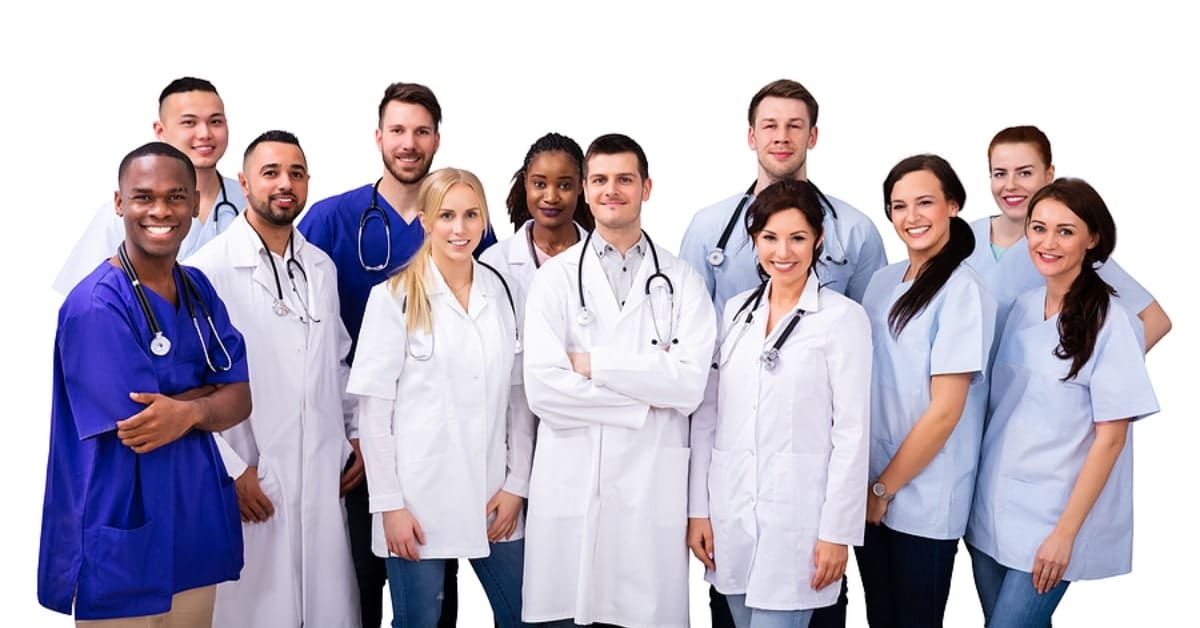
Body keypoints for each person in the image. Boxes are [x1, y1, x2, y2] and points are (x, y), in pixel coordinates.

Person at [680, 77, 886, 628]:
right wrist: (698, 508)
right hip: (732, 518)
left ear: (819, 240)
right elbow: (708, 410)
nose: (783, 251)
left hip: (803, 522)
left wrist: (838, 531)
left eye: (798, 238)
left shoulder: (844, 315)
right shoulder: (735, 311)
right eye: (770, 239)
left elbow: (851, 429)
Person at [298, 81, 496, 627]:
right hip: (353, 437)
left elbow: (487, 326)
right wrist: (349, 431)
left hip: (437, 445)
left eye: (421, 132)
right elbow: (306, 331)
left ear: (436, 139)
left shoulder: (462, 220)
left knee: (435, 591)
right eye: (398, 131)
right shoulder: (330, 219)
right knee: (356, 584)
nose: (409, 143)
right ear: (379, 136)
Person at [38, 141, 251, 625]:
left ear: (197, 205)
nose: (161, 210)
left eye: (177, 197)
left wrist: (190, 411)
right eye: (143, 197)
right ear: (119, 204)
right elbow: (142, 426)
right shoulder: (95, 304)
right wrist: (206, 396)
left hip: (194, 528)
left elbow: (241, 399)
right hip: (120, 535)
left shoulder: (198, 289)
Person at [521, 134, 717, 627]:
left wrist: (594, 364)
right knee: (572, 608)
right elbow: (544, 389)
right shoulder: (555, 280)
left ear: (646, 188)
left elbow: (690, 386)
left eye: (625, 179)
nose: (613, 190)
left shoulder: (683, 281)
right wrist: (644, 404)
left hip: (650, 488)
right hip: (572, 481)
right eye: (601, 180)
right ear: (586, 190)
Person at [964, 178, 1159, 628]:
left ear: (1093, 239)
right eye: (1038, 228)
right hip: (994, 505)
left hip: (1054, 516)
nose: (1047, 242)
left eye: (1065, 231)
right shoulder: (1022, 308)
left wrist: (1065, 533)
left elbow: (1111, 440)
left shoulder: (1111, 322)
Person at [346, 168, 535, 627]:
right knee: (418, 622)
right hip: (417, 502)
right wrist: (389, 505)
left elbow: (518, 399)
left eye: (471, 215)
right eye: (447, 215)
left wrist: (516, 485)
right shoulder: (392, 298)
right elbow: (374, 414)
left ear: (485, 222)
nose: (459, 228)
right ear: (426, 221)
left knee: (528, 617)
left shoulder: (504, 292)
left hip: (492, 495)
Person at [187, 130, 360, 627]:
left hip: (322, 479)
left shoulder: (320, 268)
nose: (285, 184)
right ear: (244, 183)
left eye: (296, 173)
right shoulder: (207, 271)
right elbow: (190, 388)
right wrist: (231, 470)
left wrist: (353, 435)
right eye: (271, 173)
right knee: (252, 609)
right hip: (252, 481)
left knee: (325, 608)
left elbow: (340, 363)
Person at [854, 154, 996, 628]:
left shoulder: (962, 290)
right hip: (870, 487)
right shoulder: (880, 282)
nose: (911, 217)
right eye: (899, 206)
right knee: (880, 619)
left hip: (924, 495)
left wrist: (883, 488)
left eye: (925, 203)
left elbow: (945, 412)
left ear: (952, 206)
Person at [680, 78, 886, 317]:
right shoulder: (707, 227)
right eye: (770, 126)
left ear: (812, 136)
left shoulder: (855, 230)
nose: (781, 137)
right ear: (751, 137)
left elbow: (874, 326)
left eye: (794, 126)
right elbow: (685, 323)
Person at [967, 125, 1171, 350]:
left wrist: (1098, 370)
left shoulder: (1066, 248)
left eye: (1025, 172)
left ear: (1049, 174)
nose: (1011, 185)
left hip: (1036, 385)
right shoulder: (964, 240)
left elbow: (1155, 320)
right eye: (1000, 174)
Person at [55, 77, 247, 295]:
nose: (205, 133)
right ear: (160, 130)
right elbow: (84, 299)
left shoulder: (249, 202)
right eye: (189, 122)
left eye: (215, 122)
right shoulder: (119, 214)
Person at [480, 132, 594, 291]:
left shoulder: (602, 258)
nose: (551, 197)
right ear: (526, 182)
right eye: (540, 184)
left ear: (581, 186)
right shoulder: (494, 261)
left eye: (564, 186)